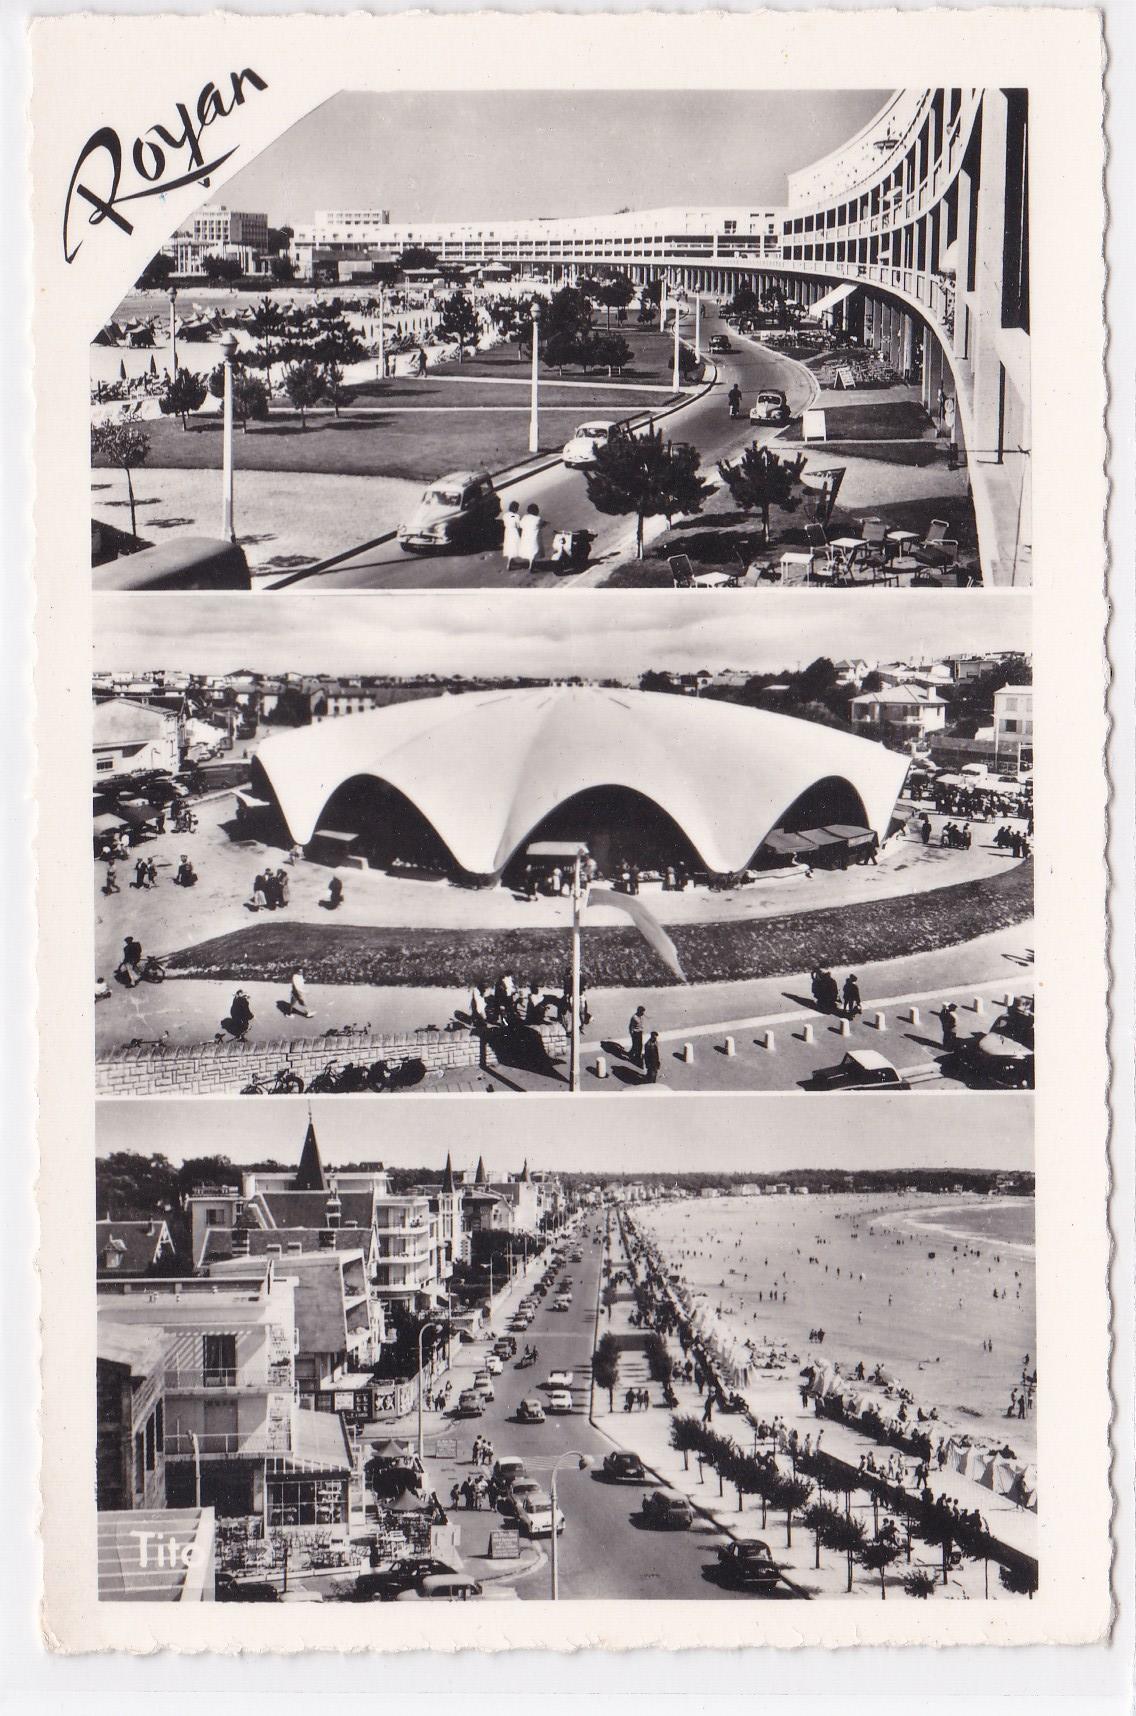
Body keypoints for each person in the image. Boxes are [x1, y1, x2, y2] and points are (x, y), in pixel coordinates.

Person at [519, 502, 544, 572]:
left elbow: (521, 525)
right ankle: (532, 567)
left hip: (526, 537)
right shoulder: (537, 518)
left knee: (530, 553)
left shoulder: (524, 517)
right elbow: (541, 525)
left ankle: (532, 566)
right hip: (533, 538)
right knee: (533, 552)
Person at [501, 500, 522, 572]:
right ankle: (509, 565)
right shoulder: (516, 516)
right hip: (514, 532)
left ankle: (512, 561)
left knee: (510, 547)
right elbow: (518, 526)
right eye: (517, 508)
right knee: (513, 547)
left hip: (507, 532)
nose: (517, 509)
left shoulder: (505, 515)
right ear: (514, 508)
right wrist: (520, 535)